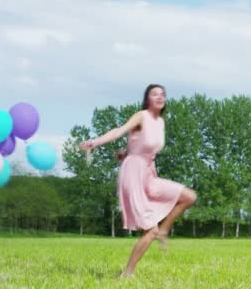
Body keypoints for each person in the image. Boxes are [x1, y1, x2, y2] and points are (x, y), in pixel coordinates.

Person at [79, 84, 197, 278]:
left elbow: (143, 145)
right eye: (154, 94)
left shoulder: (160, 123)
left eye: (162, 94)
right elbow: (119, 130)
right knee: (150, 230)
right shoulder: (141, 116)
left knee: (189, 196)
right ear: (147, 99)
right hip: (133, 175)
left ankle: (164, 231)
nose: (160, 96)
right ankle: (127, 274)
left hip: (149, 174)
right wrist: (96, 142)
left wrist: (126, 152)